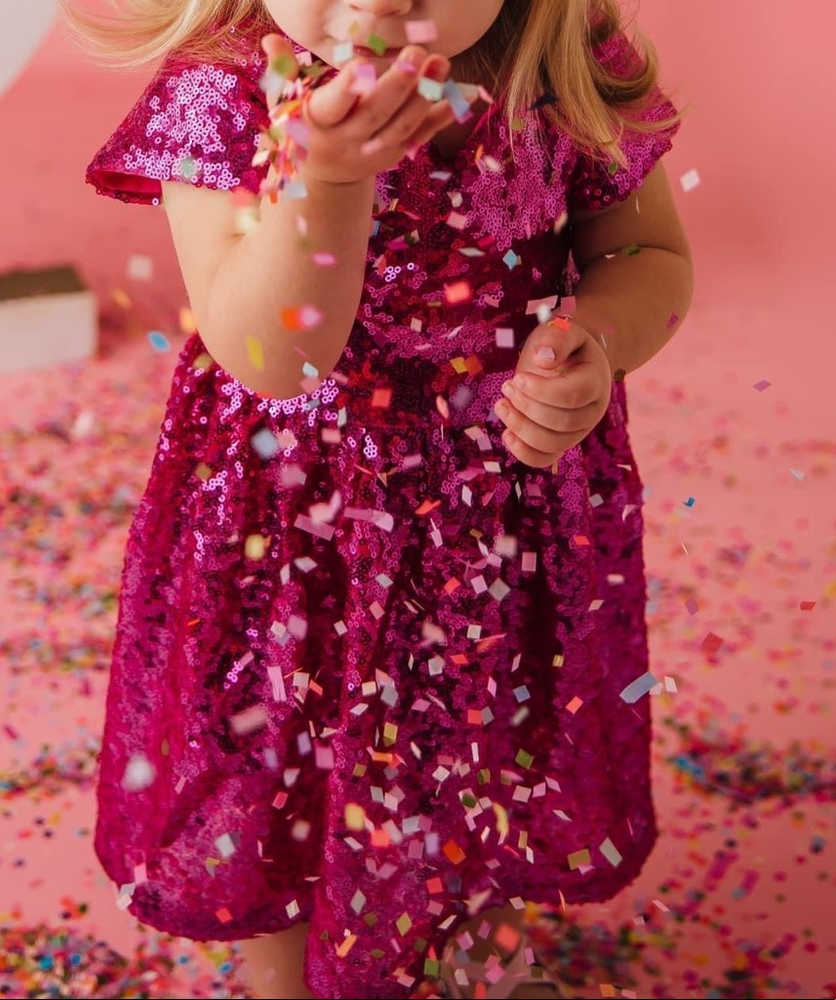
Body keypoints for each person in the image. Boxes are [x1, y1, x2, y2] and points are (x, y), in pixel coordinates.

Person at [60, 0, 693, 997]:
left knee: (487, 736)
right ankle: (286, 977)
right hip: (296, 524)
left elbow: (647, 255)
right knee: (278, 761)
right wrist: (328, 181)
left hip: (498, 505)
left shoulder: (556, 59)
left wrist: (597, 344)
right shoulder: (224, 86)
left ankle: (467, 942)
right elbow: (274, 354)